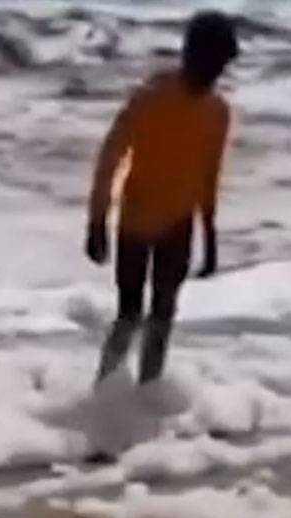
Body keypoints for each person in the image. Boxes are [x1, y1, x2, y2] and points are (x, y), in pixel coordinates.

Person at [85, 10, 238, 385]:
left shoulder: (218, 112)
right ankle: (104, 390)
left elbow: (209, 174)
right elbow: (110, 157)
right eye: (212, 62)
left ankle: (147, 390)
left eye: (221, 65)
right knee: (130, 314)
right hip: (135, 221)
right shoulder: (151, 98)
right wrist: (97, 220)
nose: (216, 72)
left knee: (164, 314)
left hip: (179, 224)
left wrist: (210, 235)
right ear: (190, 54)